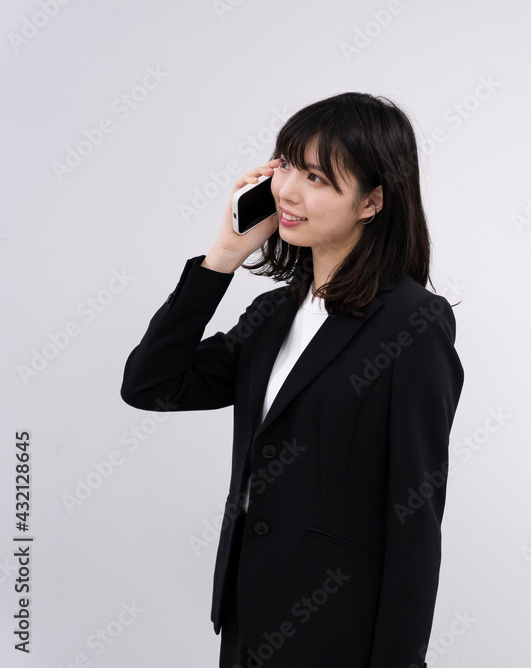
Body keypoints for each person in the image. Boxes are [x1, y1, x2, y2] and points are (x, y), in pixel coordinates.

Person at [120, 92, 464, 667]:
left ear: (372, 201)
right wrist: (223, 255)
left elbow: (416, 518)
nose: (287, 191)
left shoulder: (412, 323)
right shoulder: (274, 313)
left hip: (337, 633)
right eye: (285, 165)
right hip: (249, 621)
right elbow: (151, 385)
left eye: (317, 177)